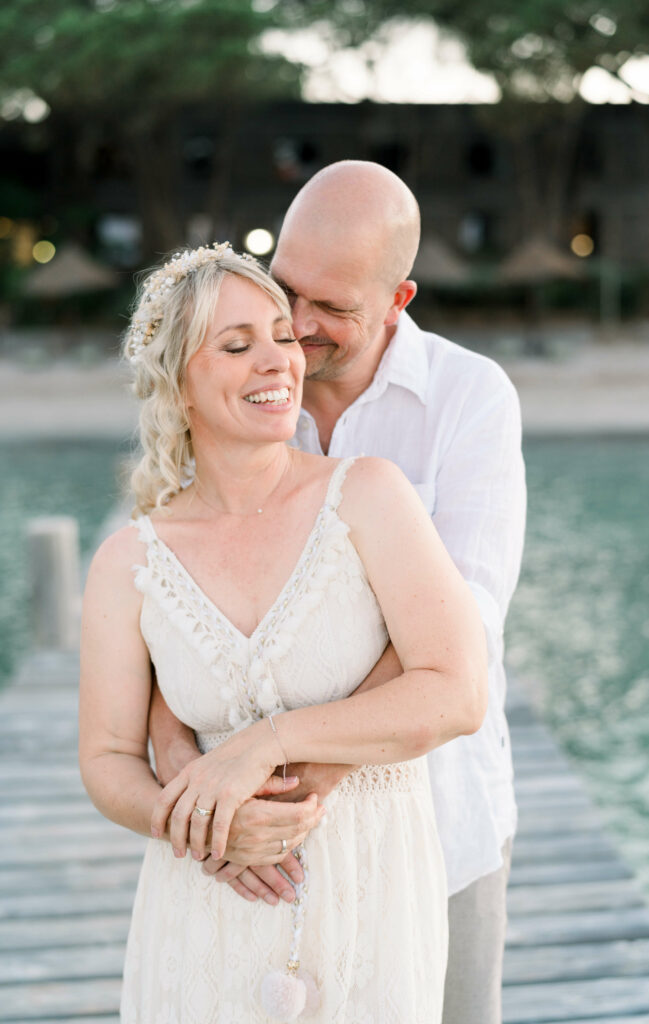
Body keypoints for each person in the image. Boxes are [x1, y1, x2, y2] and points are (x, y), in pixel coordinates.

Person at [149, 162, 527, 1023]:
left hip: (435, 821)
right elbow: (155, 589)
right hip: (241, 845)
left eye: (335, 308)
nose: (298, 325)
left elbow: (461, 625)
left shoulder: (469, 400)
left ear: (398, 298)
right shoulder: (230, 382)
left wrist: (288, 770)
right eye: (287, 288)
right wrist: (184, 769)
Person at [79, 241, 488, 1022]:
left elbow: (456, 691)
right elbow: (106, 760)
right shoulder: (129, 560)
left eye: (281, 334)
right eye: (237, 345)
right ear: (178, 384)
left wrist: (265, 744)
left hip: (368, 893)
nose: (279, 360)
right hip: (199, 907)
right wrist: (201, 830)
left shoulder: (368, 496)